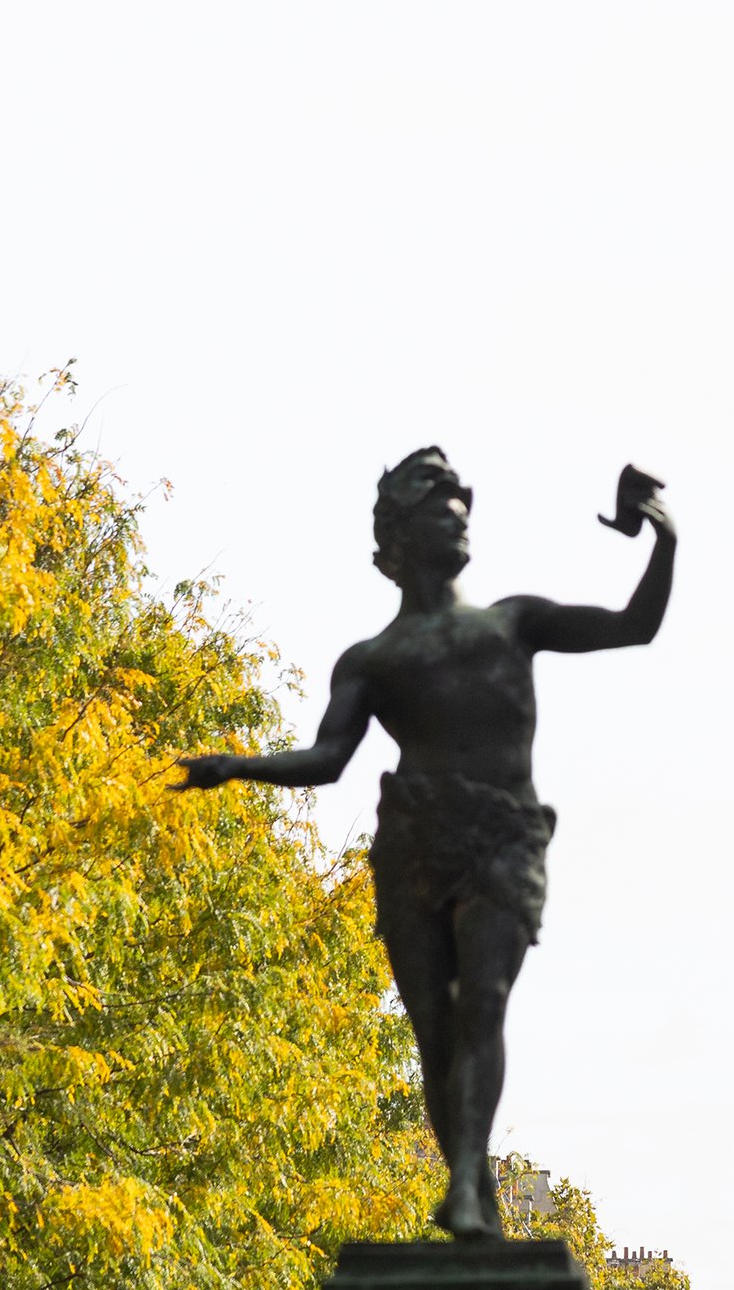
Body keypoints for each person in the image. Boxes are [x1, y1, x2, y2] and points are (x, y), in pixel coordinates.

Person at [177, 448, 674, 1237]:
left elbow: (633, 627)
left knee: (480, 1002)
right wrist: (237, 766)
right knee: (433, 1030)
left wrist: (663, 541)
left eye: (461, 507)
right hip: (414, 841)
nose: (458, 516)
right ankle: (470, 1185)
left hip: (503, 838)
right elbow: (328, 759)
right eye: (438, 509)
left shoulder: (513, 623)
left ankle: (469, 1198)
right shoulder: (374, 661)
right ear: (394, 546)